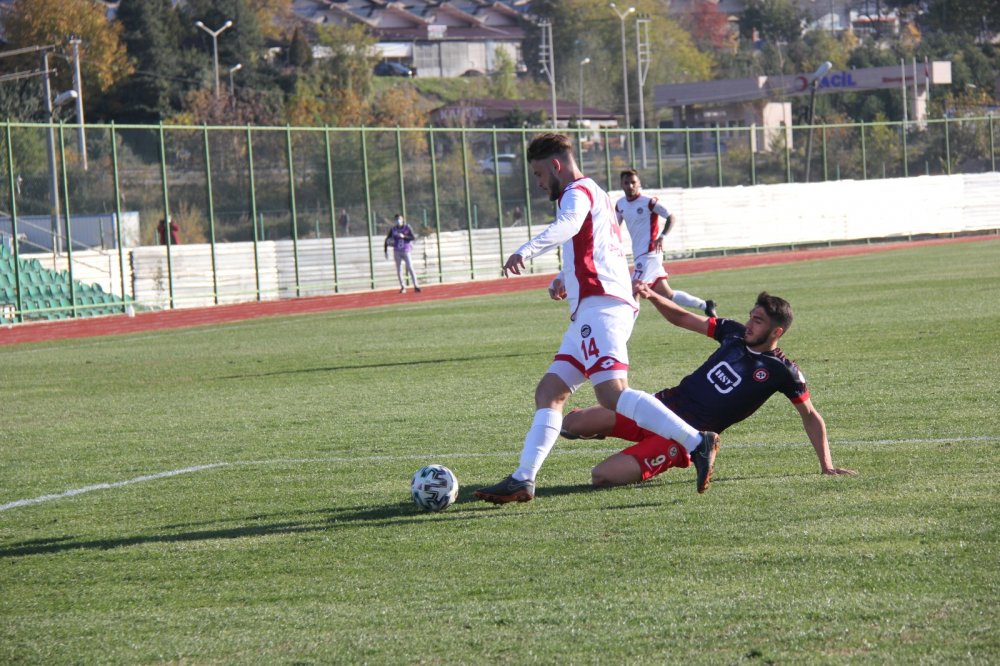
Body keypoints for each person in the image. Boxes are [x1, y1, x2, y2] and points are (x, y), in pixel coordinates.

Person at [474, 133, 719, 505]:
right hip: (593, 308)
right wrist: (565, 277)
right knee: (549, 392)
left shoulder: (575, 193)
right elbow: (598, 246)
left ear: (555, 165)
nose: (538, 183)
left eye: (538, 174)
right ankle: (523, 479)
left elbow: (569, 225)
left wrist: (527, 249)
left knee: (612, 394)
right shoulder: (599, 194)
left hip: (601, 308)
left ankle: (696, 441)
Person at [561, 285, 857, 487]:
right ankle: (606, 428)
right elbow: (683, 318)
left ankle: (688, 451)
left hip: (683, 437)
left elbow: (810, 416)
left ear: (776, 331)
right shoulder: (732, 333)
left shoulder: (783, 371)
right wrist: (652, 296)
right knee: (571, 424)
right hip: (658, 407)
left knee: (601, 476)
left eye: (758, 320)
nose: (749, 324)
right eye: (751, 316)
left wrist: (827, 465)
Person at [616, 169, 716, 317]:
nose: (630, 186)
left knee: (633, 289)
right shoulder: (620, 204)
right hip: (640, 254)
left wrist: (662, 236)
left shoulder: (649, 202)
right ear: (621, 184)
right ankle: (705, 305)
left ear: (639, 183)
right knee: (667, 295)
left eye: (633, 182)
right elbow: (614, 227)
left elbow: (671, 217)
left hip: (650, 253)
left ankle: (625, 328)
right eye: (626, 183)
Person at [383, 213, 421, 293]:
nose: (398, 221)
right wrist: (385, 250)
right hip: (397, 251)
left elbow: (413, 237)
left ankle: (416, 285)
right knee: (399, 269)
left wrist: (404, 236)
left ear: (403, 219)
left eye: (399, 219)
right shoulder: (393, 229)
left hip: (406, 250)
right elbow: (387, 239)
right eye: (396, 219)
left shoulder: (407, 227)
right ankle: (403, 287)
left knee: (410, 267)